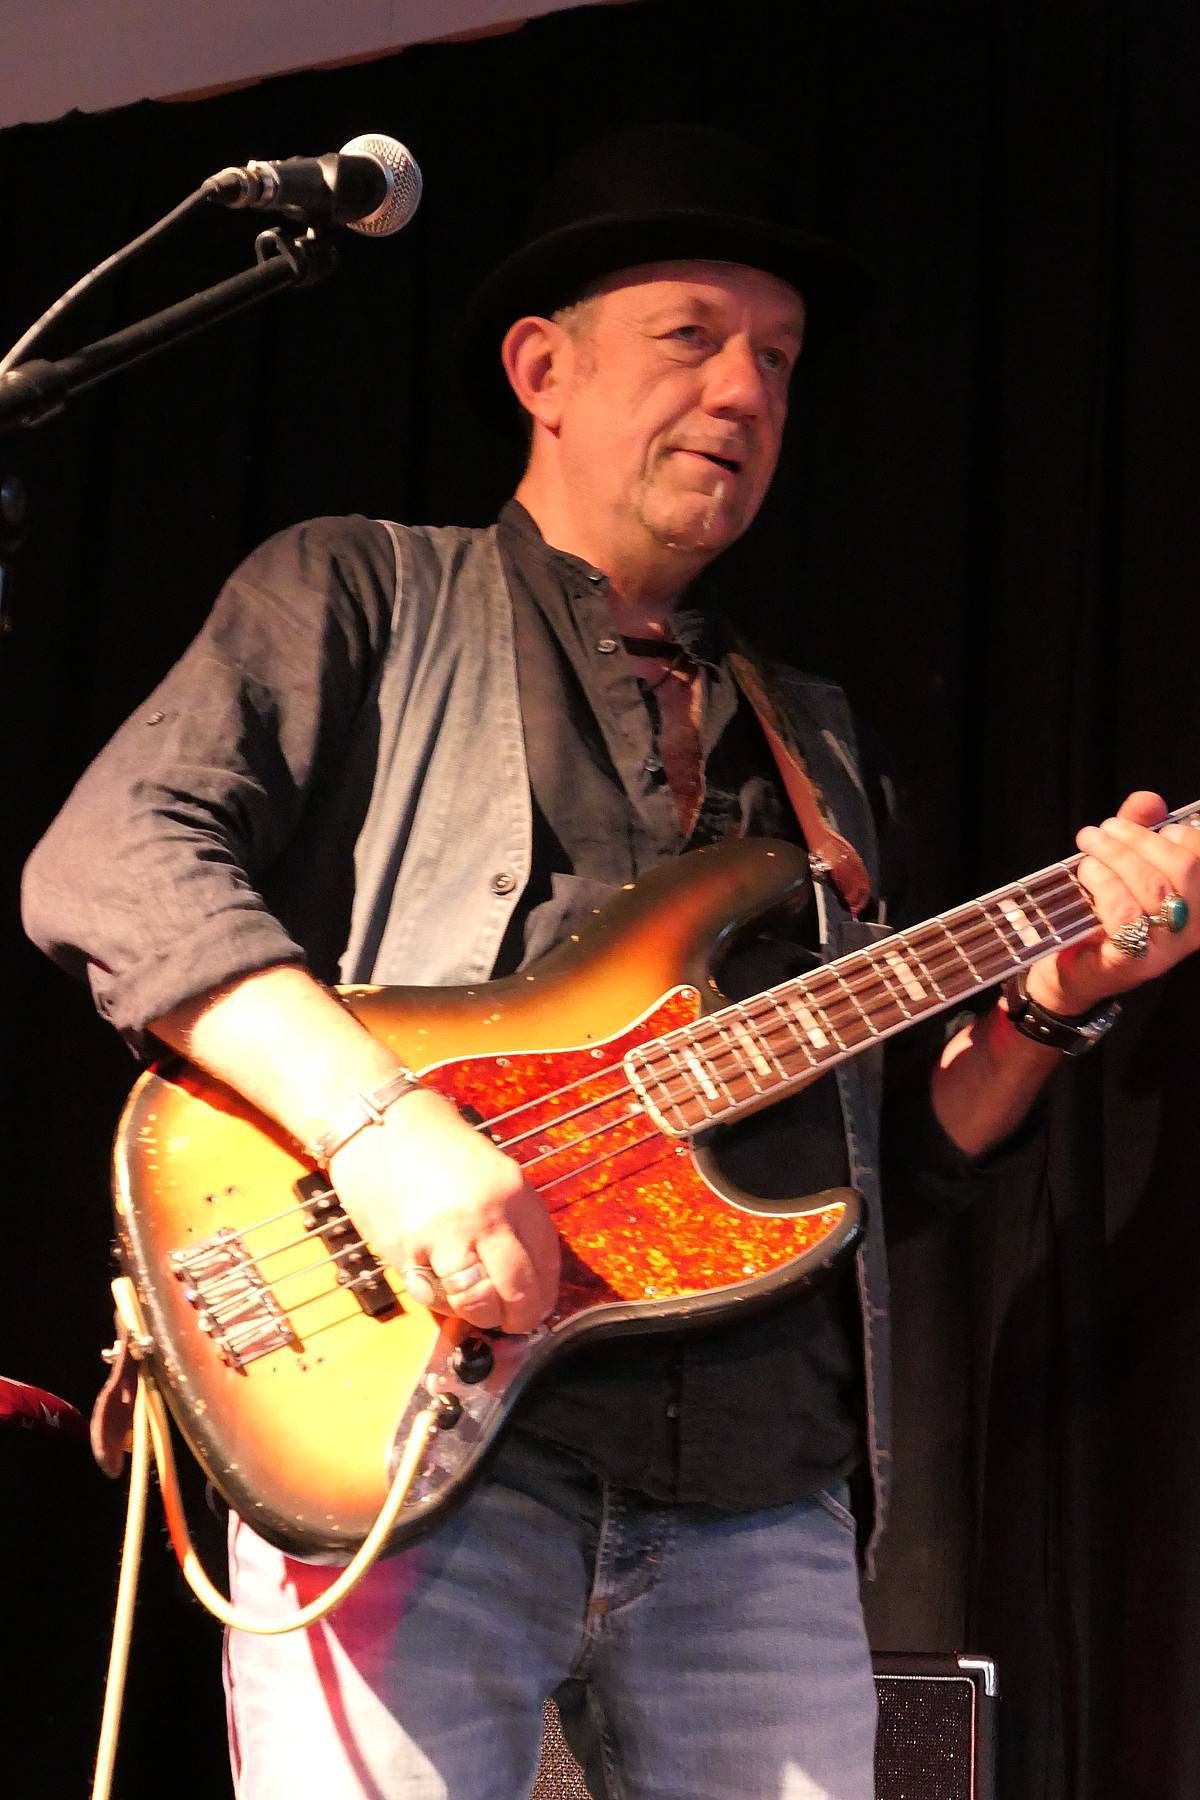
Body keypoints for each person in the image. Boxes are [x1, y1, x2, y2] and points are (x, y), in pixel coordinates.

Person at [21, 123, 1200, 1800]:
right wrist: (385, 1132)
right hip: (415, 1451)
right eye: (692, 337)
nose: (744, 391)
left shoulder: (816, 742)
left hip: (759, 1503)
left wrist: (1051, 1006)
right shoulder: (356, 591)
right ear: (543, 370)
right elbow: (110, 861)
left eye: (778, 359)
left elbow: (885, 1166)